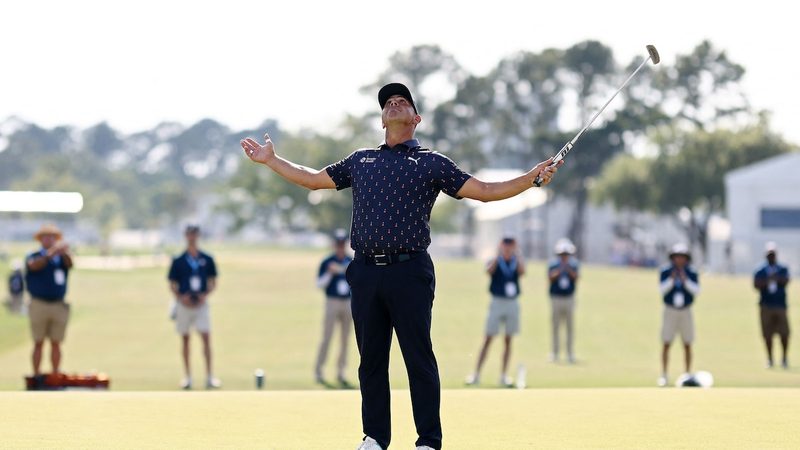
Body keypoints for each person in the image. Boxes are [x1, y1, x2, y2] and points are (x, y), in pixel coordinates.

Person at [240, 82, 561, 450]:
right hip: (364, 271)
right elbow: (313, 180)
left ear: (415, 118)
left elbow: (486, 191)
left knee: (417, 357)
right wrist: (271, 161)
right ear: (381, 120)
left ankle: (427, 440)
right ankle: (375, 437)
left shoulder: (431, 163)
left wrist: (531, 178)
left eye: (402, 102)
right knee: (371, 361)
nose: (393, 104)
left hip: (410, 271)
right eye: (388, 103)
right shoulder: (361, 160)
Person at [466, 236, 525, 387]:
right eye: (506, 244)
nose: (508, 246)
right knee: (488, 338)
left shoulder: (516, 259)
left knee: (508, 340)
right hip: (497, 301)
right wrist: (498, 256)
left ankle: (504, 375)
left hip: (512, 302)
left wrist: (517, 255)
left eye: (511, 244)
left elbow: (522, 272)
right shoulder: (495, 259)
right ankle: (476, 374)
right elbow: (488, 271)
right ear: (501, 245)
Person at [167, 225, 220, 390]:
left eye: (194, 234)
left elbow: (213, 282)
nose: (192, 237)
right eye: (189, 234)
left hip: (201, 304)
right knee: (185, 339)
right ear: (186, 236)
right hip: (184, 305)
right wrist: (181, 298)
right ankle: (188, 377)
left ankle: (210, 377)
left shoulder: (207, 259)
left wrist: (204, 296)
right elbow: (172, 284)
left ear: (198, 236)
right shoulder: (179, 260)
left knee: (205, 338)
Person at [25, 224, 73, 375]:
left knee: (56, 342)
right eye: (46, 237)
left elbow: (70, 264)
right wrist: (49, 255)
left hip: (58, 304)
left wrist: (64, 252)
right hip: (39, 304)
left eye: (52, 237)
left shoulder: (60, 258)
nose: (49, 239)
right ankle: (36, 374)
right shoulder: (34, 255)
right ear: (40, 239)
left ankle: (55, 373)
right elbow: (33, 266)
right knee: (38, 342)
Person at [315, 229, 354, 387]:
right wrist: (330, 273)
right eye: (338, 244)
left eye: (342, 244)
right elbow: (319, 284)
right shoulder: (327, 261)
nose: (340, 247)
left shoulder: (350, 260)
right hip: (332, 301)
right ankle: (319, 370)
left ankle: (341, 372)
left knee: (345, 339)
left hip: (348, 302)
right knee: (327, 338)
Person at [657, 243, 699, 387]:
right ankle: (664, 374)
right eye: (677, 257)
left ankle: (687, 374)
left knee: (687, 343)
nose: (679, 260)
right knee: (666, 342)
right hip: (670, 310)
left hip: (685, 310)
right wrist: (672, 279)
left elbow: (696, 291)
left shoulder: (691, 272)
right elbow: (662, 290)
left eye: (682, 257)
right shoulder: (666, 271)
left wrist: (684, 280)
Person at [753, 242, 790, 369]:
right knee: (767, 334)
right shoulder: (761, 270)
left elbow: (785, 281)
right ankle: (770, 359)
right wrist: (769, 279)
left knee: (784, 333)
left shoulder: (782, 269)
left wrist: (776, 278)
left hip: (780, 305)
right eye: (769, 255)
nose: (771, 257)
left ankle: (784, 358)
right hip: (766, 305)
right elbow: (756, 285)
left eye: (773, 254)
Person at [547, 238, 579, 364]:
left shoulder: (574, 264)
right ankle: (554, 353)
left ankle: (570, 353)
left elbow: (576, 277)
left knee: (569, 327)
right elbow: (550, 278)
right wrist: (560, 269)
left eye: (566, 254)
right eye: (562, 254)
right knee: (555, 326)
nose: (564, 256)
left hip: (569, 298)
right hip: (556, 298)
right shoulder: (553, 265)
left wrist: (568, 268)